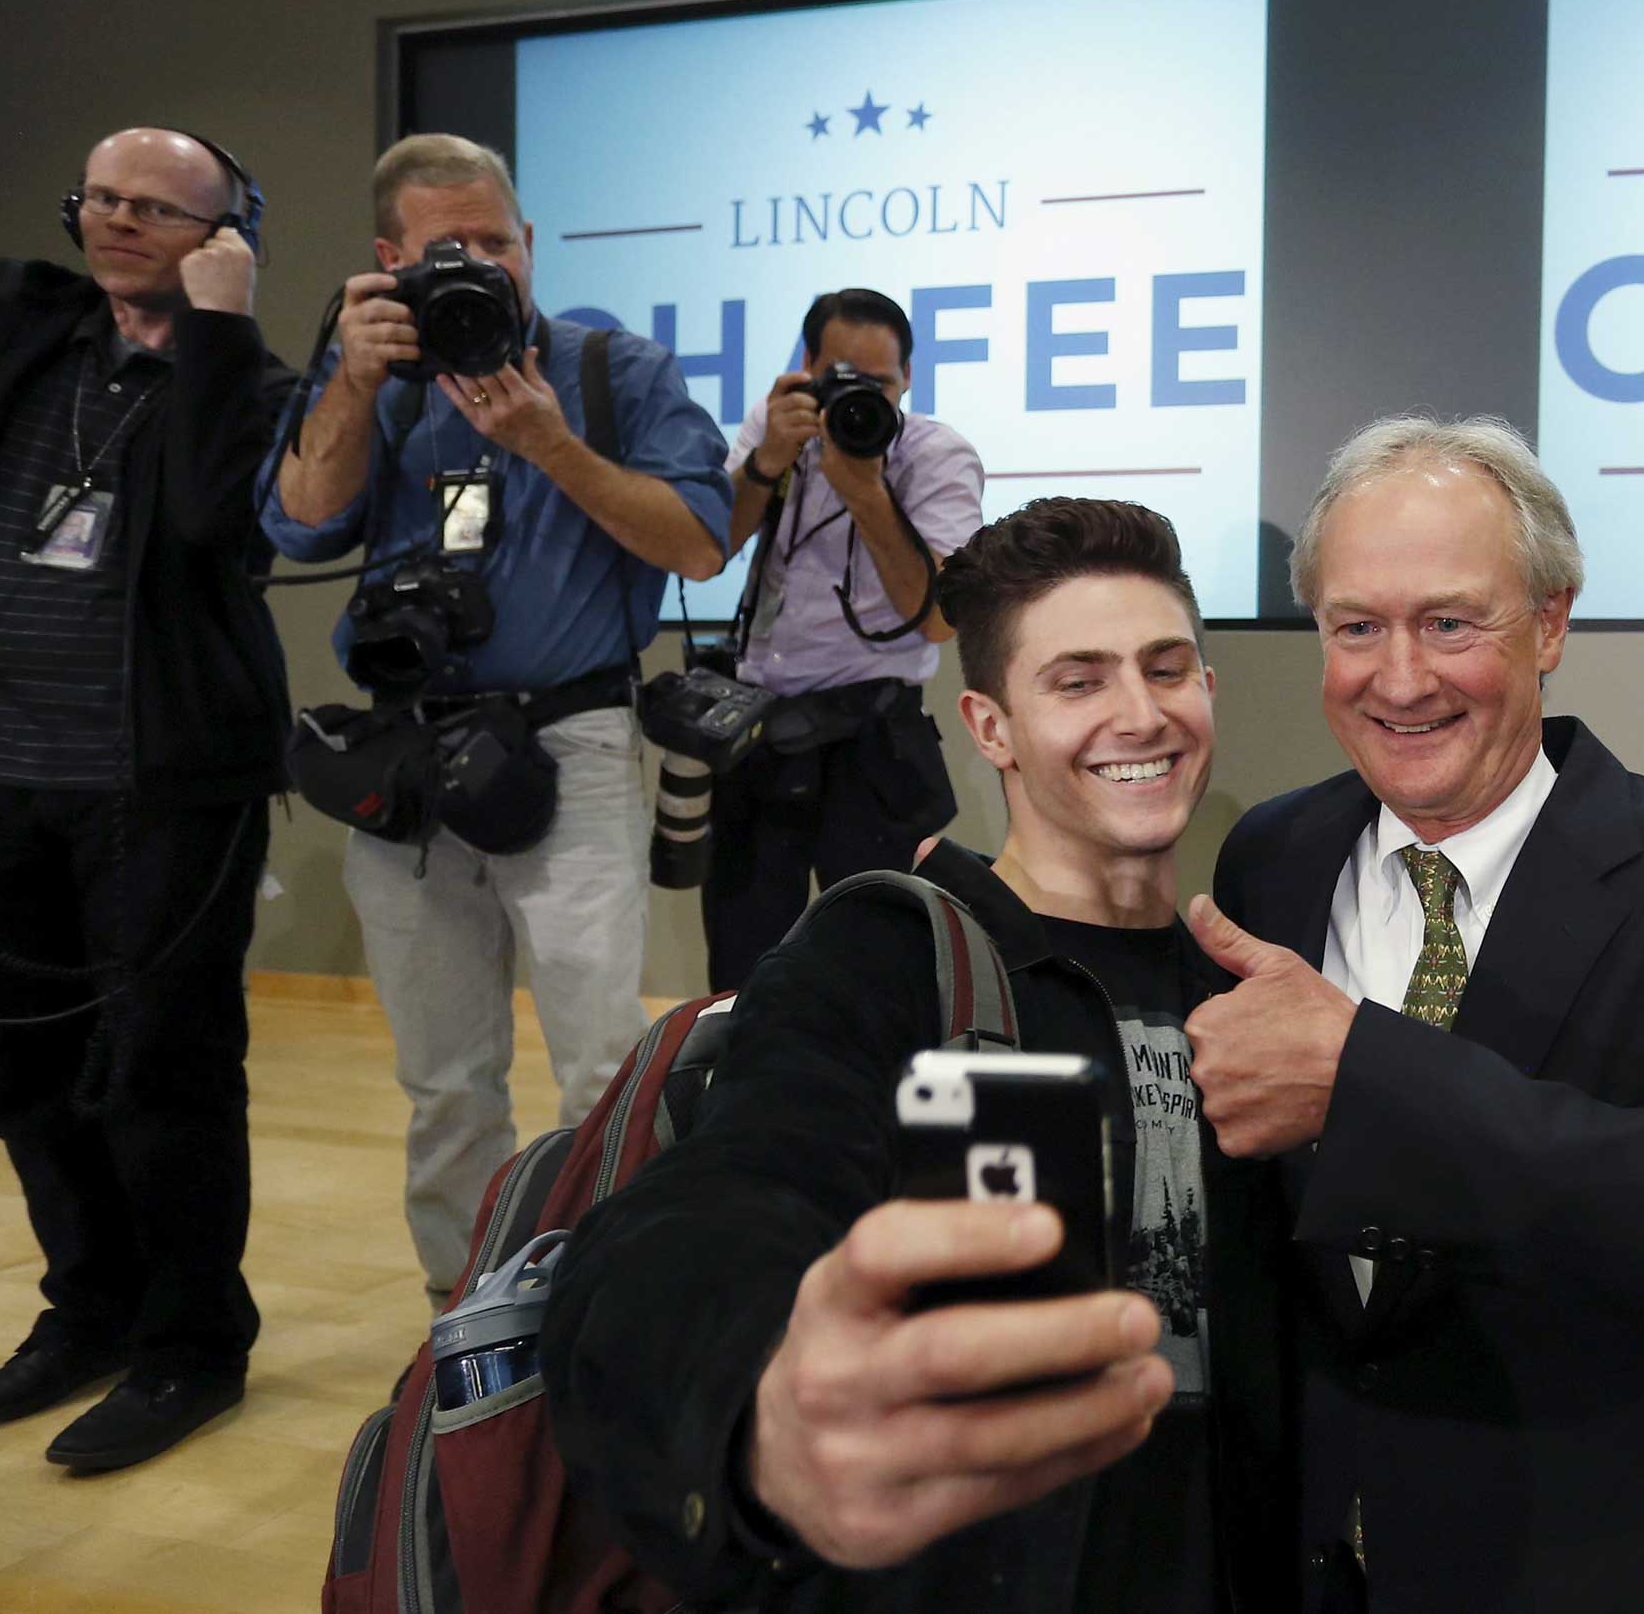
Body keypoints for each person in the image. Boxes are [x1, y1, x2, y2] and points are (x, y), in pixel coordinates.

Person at [543, 499, 1297, 1614]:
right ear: (990, 728)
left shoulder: (1248, 987)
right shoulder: (894, 956)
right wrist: (760, 1407)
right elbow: (720, 1201)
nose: (1139, 713)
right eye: (1077, 680)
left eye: (1167, 667)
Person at [1186, 416, 1644, 1612]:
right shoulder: (1273, 856)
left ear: (1550, 622)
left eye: (1452, 622)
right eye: (1357, 627)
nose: (1399, 678)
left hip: (1585, 1566)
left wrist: (1372, 1082)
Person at [260, 133, 733, 1304]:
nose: (479, 266)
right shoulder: (376, 382)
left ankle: (611, 1299)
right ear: (389, 260)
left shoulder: (614, 369)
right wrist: (358, 382)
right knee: (445, 1076)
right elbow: (298, 526)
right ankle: (468, 1311)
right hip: (410, 758)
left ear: (531, 243)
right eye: (445, 249)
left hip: (569, 742)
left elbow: (698, 540)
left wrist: (550, 445)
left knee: (597, 1059)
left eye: (498, 243)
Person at [0, 127, 295, 1471]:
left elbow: (199, 520)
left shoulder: (249, 382)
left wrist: (219, 331)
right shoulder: (38, 343)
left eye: (153, 207)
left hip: (167, 782)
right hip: (13, 777)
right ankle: (92, 1306)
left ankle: (192, 1344)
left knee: (163, 1072)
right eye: (99, 197)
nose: (115, 221)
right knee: (26, 1069)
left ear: (226, 235)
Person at [704, 287, 982, 990]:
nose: (858, 396)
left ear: (908, 379)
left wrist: (863, 487)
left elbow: (939, 616)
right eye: (840, 379)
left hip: (871, 743)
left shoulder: (935, 455)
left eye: (878, 384)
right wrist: (767, 460)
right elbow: (707, 551)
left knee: (878, 968)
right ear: (807, 366)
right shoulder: (776, 431)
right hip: (760, 732)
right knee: (741, 960)